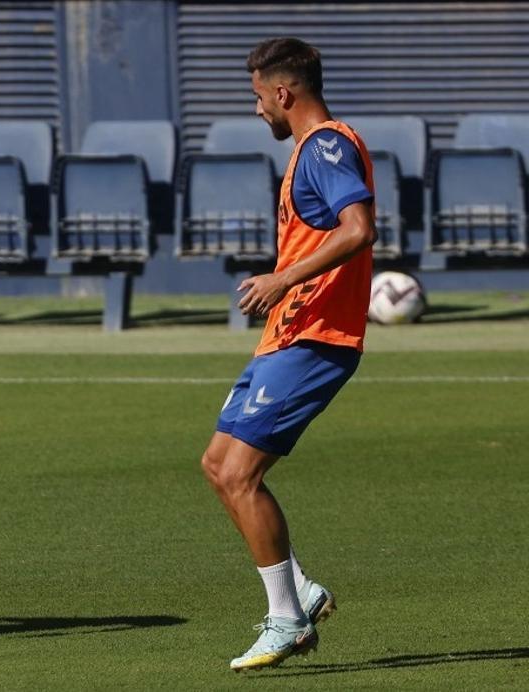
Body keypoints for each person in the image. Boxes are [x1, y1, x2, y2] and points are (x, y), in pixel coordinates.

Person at [199, 38, 376, 672]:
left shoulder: (325, 145)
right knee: (219, 465)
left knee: (243, 474)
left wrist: (281, 279)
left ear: (283, 93)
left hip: (316, 338)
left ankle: (286, 621)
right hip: (286, 335)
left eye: (256, 98)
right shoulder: (311, 150)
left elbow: (359, 230)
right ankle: (298, 590)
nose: (257, 112)